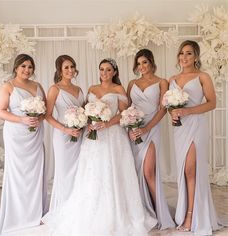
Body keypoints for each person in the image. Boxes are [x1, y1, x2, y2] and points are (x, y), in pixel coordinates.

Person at [42, 58, 157, 235]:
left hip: (113, 136)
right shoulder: (91, 89)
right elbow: (86, 112)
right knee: (92, 172)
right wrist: (88, 122)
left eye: (108, 70)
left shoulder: (118, 89)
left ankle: (117, 211)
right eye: (102, 69)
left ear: (114, 72)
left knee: (112, 172)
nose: (104, 73)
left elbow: (123, 114)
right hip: (93, 136)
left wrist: (108, 123)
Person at [169, 40, 221, 235]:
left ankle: (192, 215)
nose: (184, 57)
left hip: (196, 126)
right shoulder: (172, 78)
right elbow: (170, 107)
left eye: (189, 53)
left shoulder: (202, 77)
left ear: (196, 57)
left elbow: (212, 103)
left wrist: (188, 111)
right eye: (182, 53)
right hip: (179, 129)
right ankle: (184, 212)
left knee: (191, 170)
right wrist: (173, 113)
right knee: (183, 170)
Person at [0, 54, 47, 234]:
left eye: (30, 67)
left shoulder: (38, 86)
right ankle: (18, 215)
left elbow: (44, 111)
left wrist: (37, 118)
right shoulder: (8, 86)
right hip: (17, 134)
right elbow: (1, 112)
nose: (27, 70)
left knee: (35, 172)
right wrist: (21, 119)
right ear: (16, 67)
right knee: (19, 173)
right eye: (23, 66)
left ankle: (36, 212)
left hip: (35, 134)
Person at [127, 49, 175, 230]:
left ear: (152, 63)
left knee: (149, 172)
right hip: (134, 131)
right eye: (138, 63)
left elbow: (163, 109)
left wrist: (146, 127)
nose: (141, 67)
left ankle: (159, 212)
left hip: (151, 129)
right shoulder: (132, 83)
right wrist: (130, 128)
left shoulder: (162, 82)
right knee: (135, 172)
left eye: (145, 62)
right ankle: (141, 210)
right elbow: (126, 108)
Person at [46, 55, 84, 211]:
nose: (70, 70)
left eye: (72, 66)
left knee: (78, 170)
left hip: (79, 135)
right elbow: (47, 115)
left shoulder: (79, 89)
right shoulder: (55, 89)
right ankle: (62, 207)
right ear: (60, 70)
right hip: (62, 136)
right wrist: (66, 129)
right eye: (66, 67)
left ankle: (76, 206)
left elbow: (84, 112)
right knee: (64, 170)